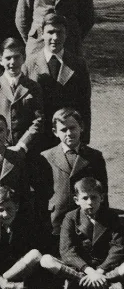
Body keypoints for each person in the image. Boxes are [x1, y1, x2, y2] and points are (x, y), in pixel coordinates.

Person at [40, 177, 124, 289]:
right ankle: (106, 286)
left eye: (94, 197)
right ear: (76, 200)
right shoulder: (70, 218)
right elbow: (67, 250)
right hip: (81, 268)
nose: (90, 202)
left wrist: (100, 271)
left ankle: (82, 284)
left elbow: (118, 248)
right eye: (85, 198)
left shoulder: (112, 217)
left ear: (102, 198)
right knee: (46, 260)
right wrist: (89, 271)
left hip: (105, 268)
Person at [38, 107, 108, 249]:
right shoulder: (45, 157)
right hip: (55, 221)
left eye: (73, 128)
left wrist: (103, 224)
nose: (69, 133)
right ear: (55, 132)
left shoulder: (94, 157)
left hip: (86, 220)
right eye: (63, 130)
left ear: (81, 127)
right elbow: (40, 195)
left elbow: (103, 193)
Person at [21, 12, 92, 147]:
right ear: (42, 33)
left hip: (67, 135)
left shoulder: (78, 65)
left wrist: (84, 139)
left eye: (60, 32)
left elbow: (84, 104)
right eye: (50, 32)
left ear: (66, 34)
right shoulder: (29, 64)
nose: (55, 37)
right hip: (38, 137)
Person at [0, 38, 44, 154]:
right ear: (0, 60)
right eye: (8, 58)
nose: (12, 62)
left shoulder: (33, 87)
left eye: (16, 57)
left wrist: (22, 145)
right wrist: (2, 146)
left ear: (24, 58)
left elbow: (38, 120)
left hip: (26, 150)